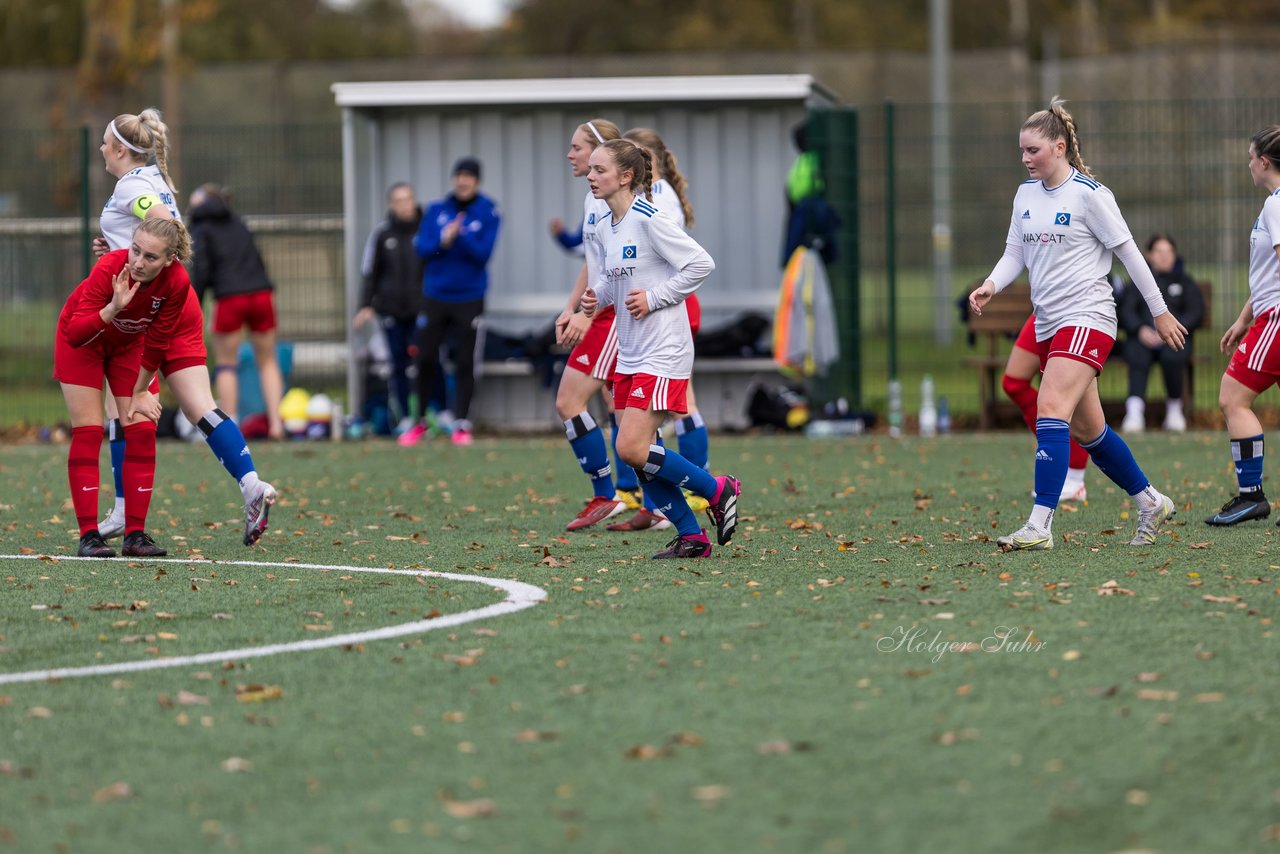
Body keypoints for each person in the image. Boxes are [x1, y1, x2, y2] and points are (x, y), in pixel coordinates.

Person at [968, 97, 1185, 551]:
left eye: (1033, 151)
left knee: (1050, 410)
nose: (1025, 159)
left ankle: (1039, 525)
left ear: (1060, 146)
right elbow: (1015, 254)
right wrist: (991, 283)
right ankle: (1150, 501)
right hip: (1049, 324)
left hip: (1089, 317)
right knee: (1090, 432)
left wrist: (1160, 310)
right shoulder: (1025, 195)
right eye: (1022, 151)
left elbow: (1130, 256)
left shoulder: (1091, 195)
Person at [93, 109, 277, 547]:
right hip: (180, 300)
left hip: (148, 306)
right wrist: (116, 246)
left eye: (104, 142)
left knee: (122, 408)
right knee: (201, 407)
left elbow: (163, 225)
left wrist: (143, 264)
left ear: (120, 149)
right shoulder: (151, 178)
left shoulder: (134, 185)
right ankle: (251, 484)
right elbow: (151, 231)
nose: (101, 148)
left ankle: (122, 509)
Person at [579, 139, 742, 559]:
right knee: (637, 453)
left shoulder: (649, 218)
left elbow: (701, 264)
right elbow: (616, 279)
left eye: (599, 170)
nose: (590, 177)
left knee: (632, 446)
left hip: (664, 349)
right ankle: (692, 537)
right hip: (631, 350)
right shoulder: (607, 224)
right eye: (591, 169)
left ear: (625, 176)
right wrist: (597, 296)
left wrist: (655, 298)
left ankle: (717, 489)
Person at [55, 218, 191, 557]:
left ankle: (135, 535)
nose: (138, 262)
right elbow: (76, 333)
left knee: (143, 428)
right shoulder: (110, 269)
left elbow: (158, 340)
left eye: (150, 257)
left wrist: (141, 390)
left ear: (169, 259)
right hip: (84, 342)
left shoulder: (177, 282)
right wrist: (114, 307)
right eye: (135, 250)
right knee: (88, 430)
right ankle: (89, 536)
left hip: (129, 345)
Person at [605, 127, 713, 532]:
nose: (586, 170)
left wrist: (652, 297)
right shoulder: (613, 214)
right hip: (647, 319)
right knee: (641, 427)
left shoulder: (654, 199)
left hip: (669, 310)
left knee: (677, 406)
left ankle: (704, 487)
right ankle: (674, 507)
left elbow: (688, 262)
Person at [553, 118, 642, 532]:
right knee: (620, 411)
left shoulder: (618, 203)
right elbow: (592, 266)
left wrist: (587, 316)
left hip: (613, 315)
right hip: (600, 310)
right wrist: (570, 307)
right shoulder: (594, 201)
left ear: (601, 150)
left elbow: (615, 270)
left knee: (570, 401)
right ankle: (653, 502)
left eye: (577, 148)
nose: (571, 156)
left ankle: (607, 494)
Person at [1205, 126, 1280, 526]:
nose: (1248, 165)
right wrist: (1242, 319)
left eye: (1251, 158)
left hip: (1278, 318)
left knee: (1232, 398)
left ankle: (1251, 496)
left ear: (1264, 162)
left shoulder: (1276, 204)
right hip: (1268, 314)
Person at [398, 157, 501, 448]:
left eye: (468, 176)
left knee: (466, 361)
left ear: (477, 181)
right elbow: (422, 247)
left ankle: (462, 422)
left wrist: (462, 236)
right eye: (459, 176)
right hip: (435, 296)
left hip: (469, 297)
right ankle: (419, 422)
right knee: (426, 357)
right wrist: (445, 238)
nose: (462, 181)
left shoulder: (488, 211)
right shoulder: (437, 209)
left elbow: (483, 253)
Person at [188, 183, 286, 440]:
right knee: (268, 360)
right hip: (261, 294)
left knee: (226, 364)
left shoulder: (200, 228)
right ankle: (276, 424)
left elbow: (201, 270)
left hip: (230, 298)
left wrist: (194, 303)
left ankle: (230, 426)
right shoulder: (238, 221)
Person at [356, 182, 447, 434]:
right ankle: (406, 418)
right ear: (390, 205)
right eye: (398, 200)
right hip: (391, 311)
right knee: (398, 363)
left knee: (428, 360)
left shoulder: (427, 232)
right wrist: (365, 305)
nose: (404, 205)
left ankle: (439, 411)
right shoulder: (382, 235)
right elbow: (370, 272)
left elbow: (440, 267)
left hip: (423, 309)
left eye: (408, 199)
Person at [1118, 233, 1205, 433]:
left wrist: (1172, 331)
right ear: (1148, 255)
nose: (1164, 256)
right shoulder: (1138, 282)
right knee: (1137, 354)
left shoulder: (1185, 282)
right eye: (1159, 251)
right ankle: (1134, 412)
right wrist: (1139, 329)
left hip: (1173, 339)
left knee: (1173, 354)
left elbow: (1195, 312)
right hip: (1142, 339)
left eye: (1169, 252)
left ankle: (1175, 411)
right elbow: (1126, 310)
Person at [1001, 314, 1090, 502]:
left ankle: (1074, 475)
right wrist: (993, 284)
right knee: (1014, 383)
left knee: (1081, 403)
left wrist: (1158, 310)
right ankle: (1069, 463)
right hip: (1045, 307)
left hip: (1077, 309)